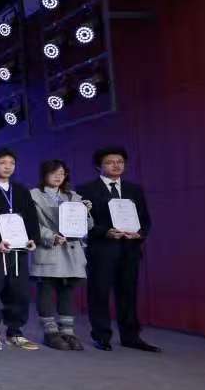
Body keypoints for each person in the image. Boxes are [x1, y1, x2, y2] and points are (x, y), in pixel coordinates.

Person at [76, 147, 160, 352]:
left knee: (128, 293)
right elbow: (80, 222)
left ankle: (131, 336)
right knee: (99, 293)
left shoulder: (134, 189)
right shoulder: (85, 189)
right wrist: (104, 232)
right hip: (102, 249)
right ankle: (101, 335)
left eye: (120, 162)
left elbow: (145, 219)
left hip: (129, 249)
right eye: (110, 162)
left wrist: (139, 234)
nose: (116, 165)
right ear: (98, 166)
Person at [0, 147, 41, 351]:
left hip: (18, 249)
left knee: (19, 292)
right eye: (2, 163)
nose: (7, 167)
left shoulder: (21, 190)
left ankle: (15, 332)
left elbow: (31, 218)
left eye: (11, 163)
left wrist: (33, 239)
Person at [31, 159, 93, 351]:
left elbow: (88, 227)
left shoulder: (74, 197)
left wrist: (86, 213)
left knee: (68, 290)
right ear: (44, 174)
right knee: (46, 289)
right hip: (48, 248)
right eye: (54, 173)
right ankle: (50, 332)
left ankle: (68, 331)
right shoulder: (33, 195)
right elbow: (31, 224)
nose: (58, 177)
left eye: (62, 173)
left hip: (71, 251)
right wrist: (50, 237)